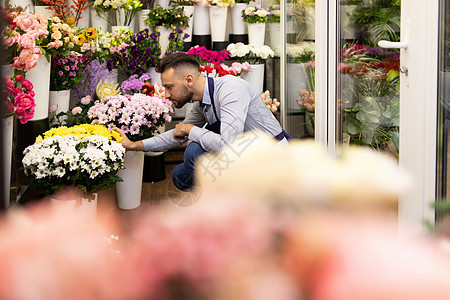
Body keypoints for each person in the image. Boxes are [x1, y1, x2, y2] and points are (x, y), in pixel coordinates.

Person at [114, 52, 291, 191]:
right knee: (180, 175)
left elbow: (228, 146)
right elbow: (177, 134)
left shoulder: (230, 90)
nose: (166, 95)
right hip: (243, 156)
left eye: (169, 87)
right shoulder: (203, 102)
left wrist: (191, 130)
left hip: (271, 157)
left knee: (193, 152)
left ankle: (234, 205)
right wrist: (134, 145)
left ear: (189, 80)